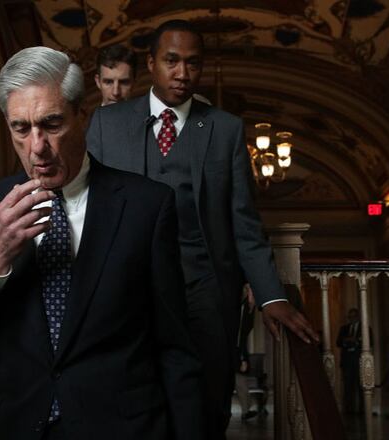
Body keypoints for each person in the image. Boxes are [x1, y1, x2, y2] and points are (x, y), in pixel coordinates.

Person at [0, 46, 203, 440]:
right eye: (21, 128)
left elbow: (174, 347)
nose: (37, 148)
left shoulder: (148, 207)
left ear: (84, 115)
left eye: (51, 123)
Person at [86, 19, 318, 438]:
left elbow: (243, 222)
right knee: (132, 402)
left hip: (205, 289)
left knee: (208, 404)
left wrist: (271, 295)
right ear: (152, 63)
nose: (182, 73)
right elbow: (86, 211)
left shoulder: (224, 129)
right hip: (128, 289)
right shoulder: (107, 125)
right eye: (172, 61)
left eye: (193, 64)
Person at [336, 308, 368, 414]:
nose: (351, 319)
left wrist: (357, 341)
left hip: (360, 362)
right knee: (348, 388)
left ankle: (362, 411)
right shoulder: (344, 329)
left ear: (358, 317)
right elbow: (338, 342)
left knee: (361, 387)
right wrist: (346, 341)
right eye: (350, 317)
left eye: (353, 316)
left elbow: (369, 341)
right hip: (347, 362)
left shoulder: (365, 328)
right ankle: (349, 411)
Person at [234, 285, 258, 421]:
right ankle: (246, 409)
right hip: (234, 350)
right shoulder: (237, 307)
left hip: (238, 349)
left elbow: (245, 331)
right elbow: (239, 335)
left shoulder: (245, 307)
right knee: (240, 381)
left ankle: (246, 410)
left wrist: (251, 305)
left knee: (240, 381)